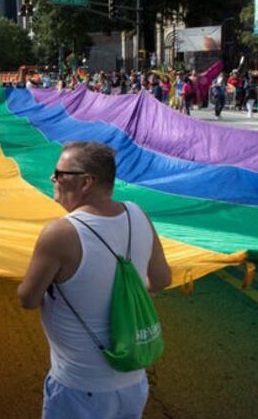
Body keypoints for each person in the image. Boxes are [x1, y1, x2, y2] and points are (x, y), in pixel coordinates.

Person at [17, 142, 171, 419]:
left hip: (79, 388)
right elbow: (161, 279)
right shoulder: (138, 214)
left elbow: (28, 299)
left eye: (59, 173)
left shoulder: (60, 234)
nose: (53, 179)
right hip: (133, 383)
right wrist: (118, 297)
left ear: (86, 182)